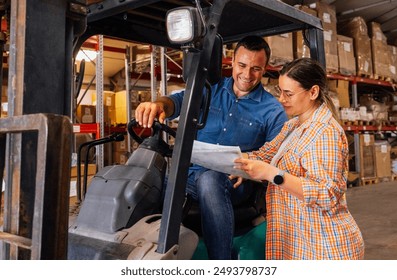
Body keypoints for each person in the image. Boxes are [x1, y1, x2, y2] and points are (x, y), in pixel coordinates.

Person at [135, 35, 288, 259]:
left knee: (210, 179)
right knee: (149, 179)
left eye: (256, 69)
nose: (247, 75)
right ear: (232, 61)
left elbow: (278, 157)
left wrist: (252, 169)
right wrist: (157, 105)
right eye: (242, 66)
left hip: (235, 183)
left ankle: (220, 263)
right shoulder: (210, 89)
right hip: (190, 174)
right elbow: (176, 102)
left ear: (265, 69)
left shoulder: (273, 111)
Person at [234, 58, 364, 260]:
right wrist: (234, 161)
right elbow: (264, 155)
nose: (281, 99)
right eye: (280, 92)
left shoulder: (325, 132)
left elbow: (327, 194)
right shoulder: (292, 126)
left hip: (324, 247)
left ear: (313, 92)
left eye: (289, 94)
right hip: (298, 241)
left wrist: (272, 174)